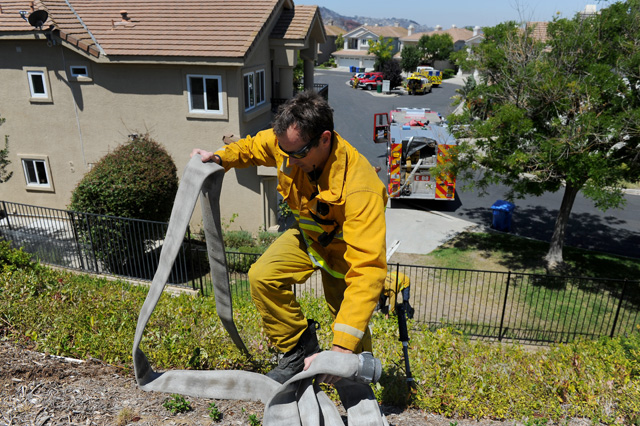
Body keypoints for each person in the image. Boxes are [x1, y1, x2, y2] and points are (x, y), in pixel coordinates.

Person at [191, 91, 388, 384]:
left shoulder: (361, 188)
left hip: (345, 259)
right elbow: (255, 147)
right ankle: (298, 351)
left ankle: (358, 392)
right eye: (285, 152)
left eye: (297, 154)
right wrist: (219, 157)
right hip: (309, 239)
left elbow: (367, 270)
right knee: (262, 276)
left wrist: (340, 350)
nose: (290, 161)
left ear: (324, 138)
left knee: (348, 333)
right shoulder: (288, 145)